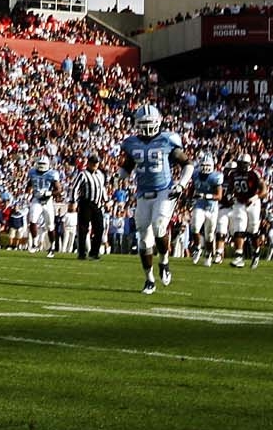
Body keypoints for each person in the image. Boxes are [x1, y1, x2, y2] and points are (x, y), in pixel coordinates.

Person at [121, 104, 190, 294]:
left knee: (159, 226)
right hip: (143, 193)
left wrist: (181, 184)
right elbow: (127, 168)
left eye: (149, 122)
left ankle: (164, 261)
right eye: (143, 123)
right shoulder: (132, 143)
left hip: (164, 191)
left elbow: (188, 164)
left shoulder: (167, 140)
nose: (147, 126)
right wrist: (121, 174)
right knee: (143, 238)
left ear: (158, 122)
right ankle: (149, 279)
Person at [224, 152, 266, 268]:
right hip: (239, 202)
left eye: (243, 164)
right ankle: (238, 256)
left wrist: (255, 197)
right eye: (240, 163)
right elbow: (230, 189)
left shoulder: (254, 174)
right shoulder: (233, 174)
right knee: (239, 227)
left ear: (248, 164)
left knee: (253, 231)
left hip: (253, 203)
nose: (241, 166)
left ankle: (256, 252)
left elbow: (264, 190)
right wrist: (229, 196)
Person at [188, 151, 224, 266]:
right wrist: (188, 200)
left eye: (208, 166)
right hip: (199, 205)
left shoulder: (215, 177)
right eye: (203, 166)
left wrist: (205, 196)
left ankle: (208, 254)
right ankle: (198, 247)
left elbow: (219, 196)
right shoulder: (196, 174)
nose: (205, 168)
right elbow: (192, 188)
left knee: (209, 235)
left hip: (211, 209)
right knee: (195, 227)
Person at [71, 154, 108, 261]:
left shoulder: (100, 174)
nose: (95, 165)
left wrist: (106, 200)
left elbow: (102, 188)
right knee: (83, 229)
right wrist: (73, 201)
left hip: (97, 204)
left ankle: (94, 252)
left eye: (97, 163)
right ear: (89, 163)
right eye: (93, 163)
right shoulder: (83, 174)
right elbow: (75, 188)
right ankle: (82, 253)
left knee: (100, 228)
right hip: (85, 203)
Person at [25, 155, 62, 257]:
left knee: (50, 226)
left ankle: (52, 247)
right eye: (39, 164)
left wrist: (48, 193)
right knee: (32, 220)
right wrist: (28, 191)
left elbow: (59, 189)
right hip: (36, 199)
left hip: (48, 201)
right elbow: (29, 184)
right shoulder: (32, 172)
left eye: (43, 164)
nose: (41, 166)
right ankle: (35, 243)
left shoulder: (52, 174)